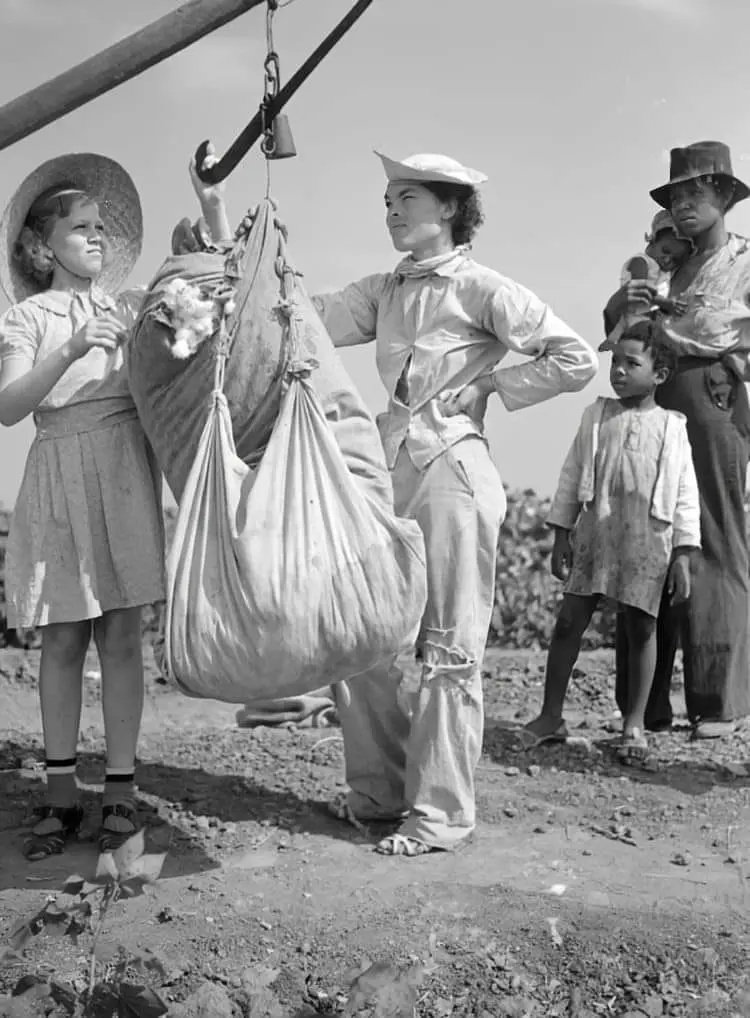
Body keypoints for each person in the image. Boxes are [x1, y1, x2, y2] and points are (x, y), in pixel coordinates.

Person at [312, 151, 598, 856]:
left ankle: (439, 814)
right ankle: (379, 796)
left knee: (448, 647)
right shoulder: (383, 291)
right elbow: (305, 319)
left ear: (448, 209)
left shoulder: (482, 288)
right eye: (386, 201)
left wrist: (494, 387)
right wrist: (239, 247)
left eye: (405, 198)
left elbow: (575, 358)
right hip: (388, 470)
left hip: (454, 469)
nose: (392, 212)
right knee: (363, 637)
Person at [0, 150, 229, 860]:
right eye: (80, 229)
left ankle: (122, 792)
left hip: (125, 469)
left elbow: (216, 291)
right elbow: (9, 407)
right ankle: (62, 792)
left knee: (123, 637)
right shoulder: (29, 318)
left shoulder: (132, 309)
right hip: (59, 472)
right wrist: (69, 348)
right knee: (64, 638)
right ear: (41, 248)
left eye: (102, 227)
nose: (96, 238)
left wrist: (211, 204)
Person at [603, 141, 750, 739]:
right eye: (677, 197)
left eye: (697, 194)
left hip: (714, 397)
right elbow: (620, 337)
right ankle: (646, 706)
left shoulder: (744, 263)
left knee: (714, 539)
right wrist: (624, 302)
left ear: (723, 198)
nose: (686, 206)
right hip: (654, 401)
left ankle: (720, 702)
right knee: (647, 540)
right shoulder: (664, 267)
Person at [521, 320, 701, 759]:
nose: (618, 371)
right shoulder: (597, 415)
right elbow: (570, 475)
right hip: (596, 533)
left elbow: (684, 494)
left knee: (642, 628)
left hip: (647, 541)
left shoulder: (672, 427)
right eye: (615, 362)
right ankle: (550, 716)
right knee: (568, 624)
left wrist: (682, 554)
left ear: (659, 374)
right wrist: (562, 533)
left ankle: (634, 723)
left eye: (631, 363)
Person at [602, 211, 691, 350]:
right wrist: (667, 304)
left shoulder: (664, 273)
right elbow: (641, 290)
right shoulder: (641, 261)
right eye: (665, 251)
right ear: (651, 243)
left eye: (675, 260)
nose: (667, 259)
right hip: (635, 312)